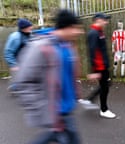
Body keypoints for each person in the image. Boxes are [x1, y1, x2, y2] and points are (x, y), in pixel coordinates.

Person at [16, 9, 84, 144]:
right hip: (54, 112)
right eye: (76, 28)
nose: (79, 32)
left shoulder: (68, 46)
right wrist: (43, 109)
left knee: (61, 136)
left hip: (66, 109)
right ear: (66, 27)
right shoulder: (41, 47)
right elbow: (24, 81)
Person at [81, 12, 116, 119]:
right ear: (98, 20)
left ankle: (89, 100)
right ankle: (104, 110)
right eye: (104, 20)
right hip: (99, 67)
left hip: (103, 65)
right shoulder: (93, 33)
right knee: (105, 87)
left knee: (106, 85)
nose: (106, 22)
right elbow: (92, 52)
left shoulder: (99, 32)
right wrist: (94, 71)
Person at [3, 18, 33, 93]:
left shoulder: (28, 34)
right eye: (29, 26)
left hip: (25, 61)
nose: (31, 27)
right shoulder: (16, 37)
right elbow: (8, 52)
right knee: (20, 79)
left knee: (26, 77)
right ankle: (13, 88)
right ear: (23, 28)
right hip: (18, 62)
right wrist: (13, 64)